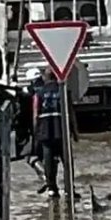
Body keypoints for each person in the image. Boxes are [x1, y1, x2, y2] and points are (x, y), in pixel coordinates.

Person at [31, 68, 73, 196]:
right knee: (67, 160)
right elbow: (71, 112)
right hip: (61, 130)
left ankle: (51, 188)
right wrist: (75, 132)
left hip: (46, 131)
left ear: (45, 78)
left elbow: (35, 114)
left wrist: (35, 133)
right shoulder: (64, 92)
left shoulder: (39, 94)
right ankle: (69, 188)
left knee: (48, 160)